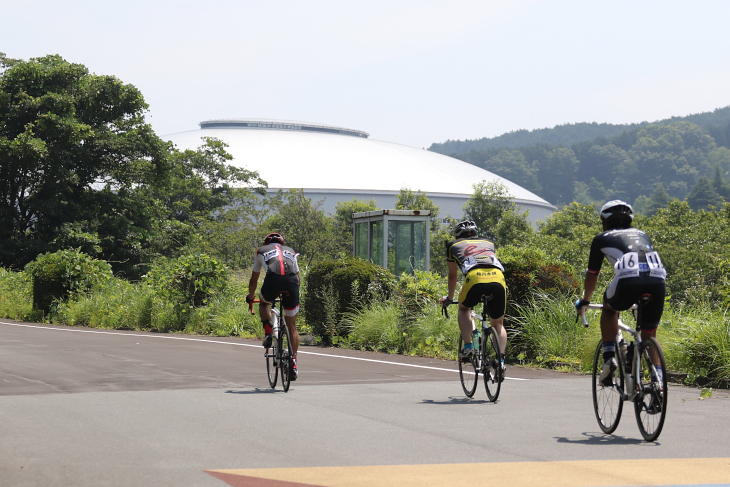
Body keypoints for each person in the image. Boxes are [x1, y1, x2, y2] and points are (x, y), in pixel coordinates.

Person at [575, 200, 666, 387]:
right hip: (657, 280)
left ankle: (609, 359)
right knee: (650, 334)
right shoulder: (643, 234)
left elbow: (593, 274)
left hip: (628, 279)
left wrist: (585, 300)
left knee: (609, 309)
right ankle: (659, 382)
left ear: (605, 222)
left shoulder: (601, 238)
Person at [442, 220, 508, 381]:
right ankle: (501, 360)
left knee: (464, 309)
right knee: (498, 323)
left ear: (457, 236)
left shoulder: (452, 246)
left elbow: (452, 276)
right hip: (498, 278)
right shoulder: (489, 243)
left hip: (475, 278)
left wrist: (449, 298)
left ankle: (468, 346)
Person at [246, 232, 301, 379]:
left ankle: (268, 332)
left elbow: (254, 279)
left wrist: (251, 297)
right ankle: (293, 362)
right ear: (282, 244)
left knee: (264, 302)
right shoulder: (291, 251)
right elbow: (298, 278)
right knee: (292, 326)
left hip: (272, 282)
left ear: (266, 243)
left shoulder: (261, 251)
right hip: (292, 283)